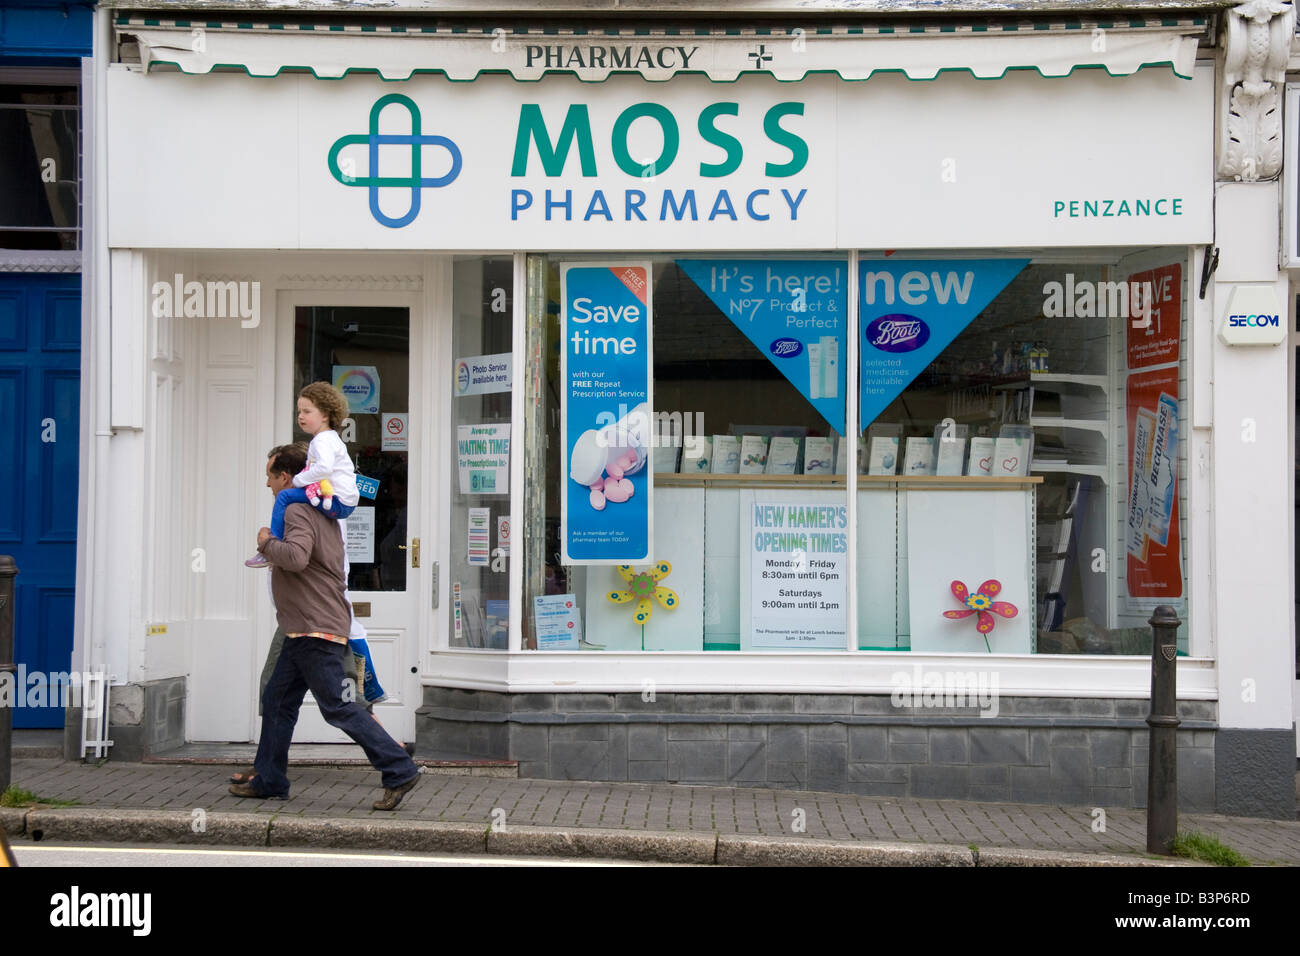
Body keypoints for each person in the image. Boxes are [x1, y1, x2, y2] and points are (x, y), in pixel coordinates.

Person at [229, 475, 420, 810]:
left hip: (313, 628)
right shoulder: (325, 513)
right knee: (277, 700)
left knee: (340, 706)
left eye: (271, 475)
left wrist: (265, 541)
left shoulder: (297, 511)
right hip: (304, 627)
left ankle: (398, 768)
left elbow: (296, 557)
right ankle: (270, 780)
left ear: (286, 478)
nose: (267, 484)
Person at [246, 381, 359, 568]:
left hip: (338, 500)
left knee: (284, 497)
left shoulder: (322, 441)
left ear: (325, 414)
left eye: (307, 411)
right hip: (341, 500)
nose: (301, 417)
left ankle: (272, 542)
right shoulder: (330, 439)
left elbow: (323, 468)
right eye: (299, 412)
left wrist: (299, 480)